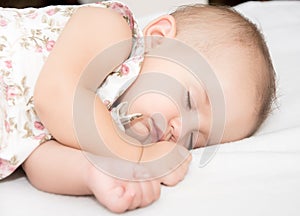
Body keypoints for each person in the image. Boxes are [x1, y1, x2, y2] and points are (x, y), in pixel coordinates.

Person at [0, 1, 275, 213]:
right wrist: (136, 154)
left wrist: (94, 173)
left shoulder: (102, 126)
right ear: (159, 37)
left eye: (193, 138)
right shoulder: (110, 30)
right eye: (189, 101)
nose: (178, 130)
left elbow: (36, 159)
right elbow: (55, 95)